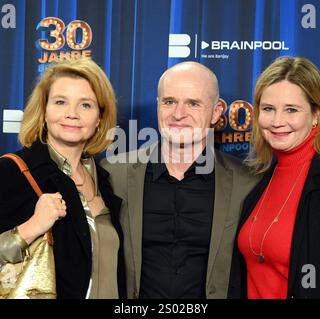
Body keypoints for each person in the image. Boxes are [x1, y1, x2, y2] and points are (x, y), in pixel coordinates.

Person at [0, 58, 126, 299]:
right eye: (60, 102)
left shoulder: (105, 180)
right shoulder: (9, 174)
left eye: (85, 105)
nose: (72, 114)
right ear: (43, 112)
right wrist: (29, 229)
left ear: (99, 119)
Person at [101, 61, 259, 298]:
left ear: (216, 112)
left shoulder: (247, 182)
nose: (178, 114)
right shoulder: (114, 173)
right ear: (158, 106)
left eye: (193, 103)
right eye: (169, 102)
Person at [227, 56, 320, 299]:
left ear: (316, 114)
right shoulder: (261, 178)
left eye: (291, 110)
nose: (276, 122)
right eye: (268, 109)